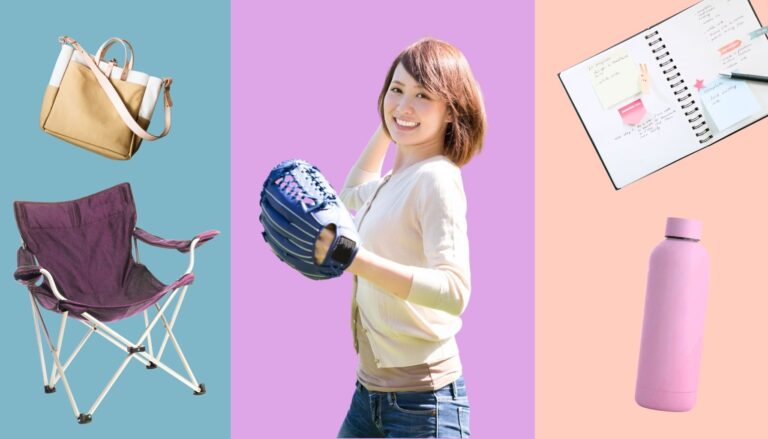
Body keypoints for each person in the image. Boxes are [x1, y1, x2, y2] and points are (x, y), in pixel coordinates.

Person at [315, 37, 486, 438]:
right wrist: (392, 121)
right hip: (368, 395)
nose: (405, 104)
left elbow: (454, 290)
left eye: (423, 95)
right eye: (396, 89)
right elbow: (351, 194)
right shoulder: (395, 181)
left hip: (424, 405)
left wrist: (353, 259)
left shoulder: (437, 178)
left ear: (451, 111)